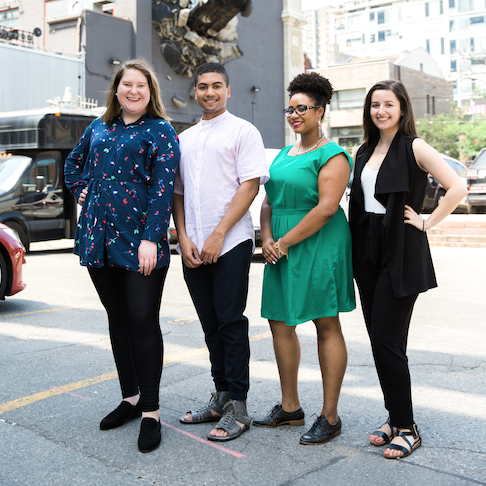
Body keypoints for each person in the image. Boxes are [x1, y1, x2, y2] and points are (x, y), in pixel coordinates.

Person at [64, 59, 180, 453]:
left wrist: (152, 238)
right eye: (126, 84)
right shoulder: (100, 126)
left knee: (142, 321)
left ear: (150, 92)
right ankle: (129, 398)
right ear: (116, 90)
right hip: (98, 236)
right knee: (117, 319)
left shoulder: (161, 131)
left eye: (141, 86)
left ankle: (151, 411)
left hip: (140, 239)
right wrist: (81, 190)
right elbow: (73, 163)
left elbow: (164, 189)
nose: (133, 91)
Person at [349, 80, 467, 459]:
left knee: (385, 339)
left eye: (388, 104)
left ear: (402, 108)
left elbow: (457, 186)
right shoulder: (364, 150)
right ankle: (393, 417)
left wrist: (428, 222)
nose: (381, 111)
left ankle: (407, 427)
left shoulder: (413, 146)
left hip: (401, 249)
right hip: (367, 248)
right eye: (374, 105)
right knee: (385, 342)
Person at [254, 72, 356, 445]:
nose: (294, 115)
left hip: (317, 244)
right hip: (279, 244)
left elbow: (327, 208)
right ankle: (290, 407)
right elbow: (268, 200)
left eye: (302, 109)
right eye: (290, 109)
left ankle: (329, 416)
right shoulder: (283, 154)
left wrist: (282, 243)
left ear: (320, 111)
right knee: (279, 321)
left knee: (325, 323)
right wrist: (266, 237)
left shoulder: (334, 154)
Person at [173, 62, 269, 442]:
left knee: (230, 322)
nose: (209, 92)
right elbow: (177, 193)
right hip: (192, 246)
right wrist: (182, 237)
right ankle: (220, 397)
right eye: (202, 86)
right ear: (194, 92)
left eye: (216, 86)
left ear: (228, 90)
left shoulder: (243, 131)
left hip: (230, 242)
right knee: (210, 324)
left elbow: (249, 187)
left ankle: (239, 407)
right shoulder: (184, 138)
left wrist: (218, 234)